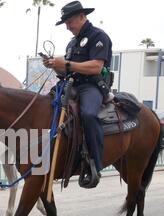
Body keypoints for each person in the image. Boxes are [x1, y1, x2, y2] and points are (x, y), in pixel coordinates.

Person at [42, 1, 112, 187]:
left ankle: (95, 164)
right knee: (44, 107)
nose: (67, 27)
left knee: (88, 114)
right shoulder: (72, 43)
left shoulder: (99, 36)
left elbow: (96, 67)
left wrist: (65, 64)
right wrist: (55, 66)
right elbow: (68, 70)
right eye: (65, 23)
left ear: (82, 16)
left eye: (70, 22)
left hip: (91, 86)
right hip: (69, 84)